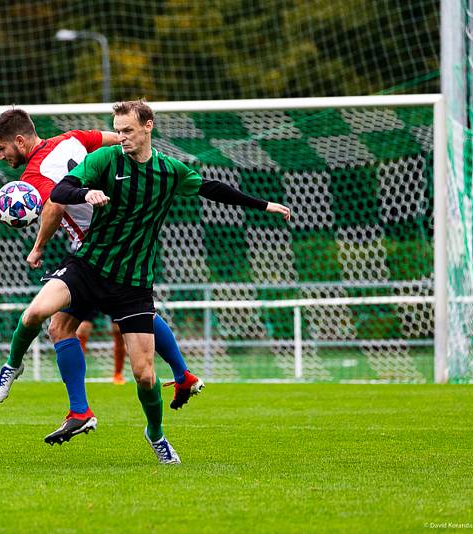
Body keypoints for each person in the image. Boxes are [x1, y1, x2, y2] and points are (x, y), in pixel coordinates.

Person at [23, 100, 291, 463]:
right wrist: (85, 193)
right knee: (45, 317)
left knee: (145, 376)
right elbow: (61, 191)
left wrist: (263, 205)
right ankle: (28, 377)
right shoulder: (106, 160)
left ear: (148, 126)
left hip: (134, 282)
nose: (121, 137)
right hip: (90, 265)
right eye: (117, 130)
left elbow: (211, 187)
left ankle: (156, 434)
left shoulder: (169, 170)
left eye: (128, 130)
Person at [0, 109, 204, 446]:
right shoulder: (72, 138)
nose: (1, 156)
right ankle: (181, 375)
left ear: (19, 140)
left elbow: (55, 205)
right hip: (126, 238)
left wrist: (38, 248)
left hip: (95, 250)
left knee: (60, 325)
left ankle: (42, 385)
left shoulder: (33, 175)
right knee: (122, 318)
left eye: (2, 149)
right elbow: (118, 141)